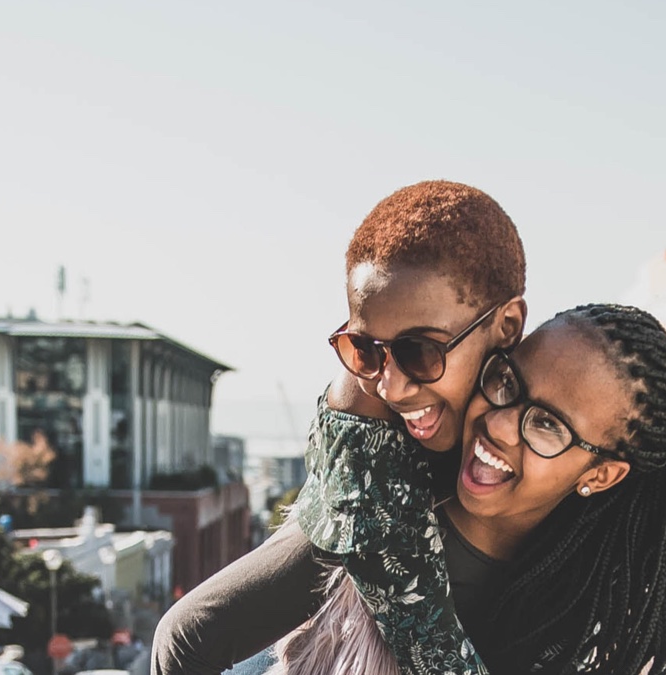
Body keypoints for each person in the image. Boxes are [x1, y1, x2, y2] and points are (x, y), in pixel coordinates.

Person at [151, 179, 528, 674]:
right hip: (323, 562)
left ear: (508, 326)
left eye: (420, 351)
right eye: (365, 350)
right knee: (185, 635)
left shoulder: (549, 387)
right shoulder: (363, 407)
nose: (391, 386)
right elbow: (427, 639)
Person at [268, 304, 666, 674]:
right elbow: (198, 636)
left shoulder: (573, 628)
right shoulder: (379, 494)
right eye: (507, 380)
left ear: (599, 475)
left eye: (548, 424)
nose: (500, 424)